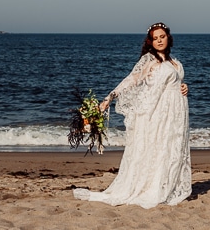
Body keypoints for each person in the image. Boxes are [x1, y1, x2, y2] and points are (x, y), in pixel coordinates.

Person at [73, 22, 191, 208]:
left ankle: (166, 185)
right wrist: (109, 97)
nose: (159, 40)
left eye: (162, 36)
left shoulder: (174, 62)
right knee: (157, 148)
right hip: (158, 113)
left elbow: (176, 82)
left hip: (176, 114)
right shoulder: (150, 61)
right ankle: (153, 188)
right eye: (155, 38)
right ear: (150, 42)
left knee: (171, 148)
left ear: (168, 37)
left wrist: (184, 87)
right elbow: (131, 80)